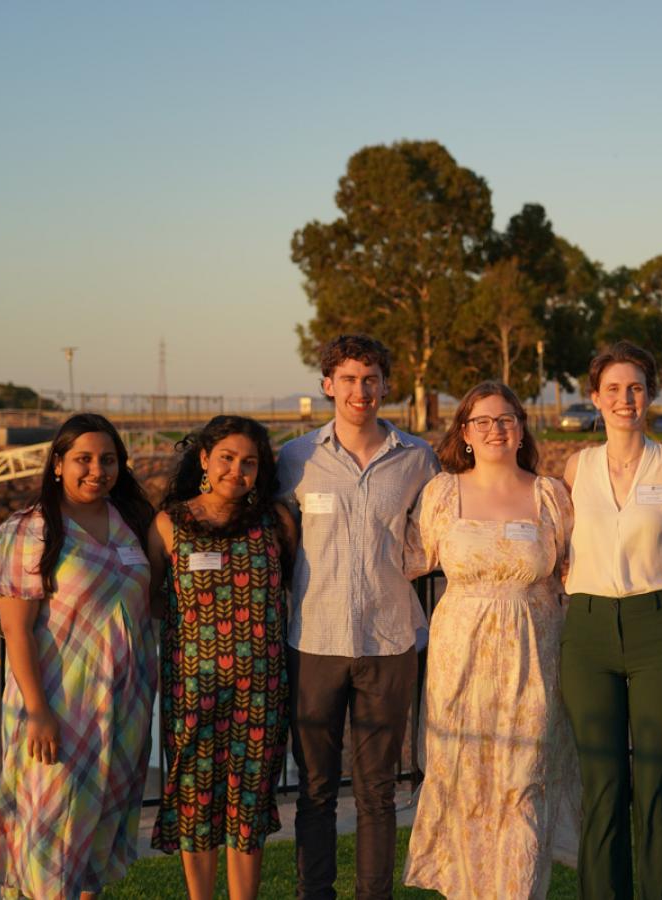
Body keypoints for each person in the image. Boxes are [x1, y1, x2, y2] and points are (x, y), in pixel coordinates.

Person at [276, 334, 439, 900]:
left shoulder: (419, 458)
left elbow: (436, 537)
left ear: (385, 385)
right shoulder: (295, 459)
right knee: (316, 789)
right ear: (327, 386)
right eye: (347, 379)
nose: (360, 390)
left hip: (391, 641)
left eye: (370, 379)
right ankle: (313, 893)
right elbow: (275, 538)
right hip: (314, 642)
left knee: (376, 791)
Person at [401, 381, 577, 899]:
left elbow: (575, 568)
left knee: (525, 782)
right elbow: (409, 559)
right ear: (466, 433)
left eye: (506, 419)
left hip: (534, 653)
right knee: (466, 779)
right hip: (461, 655)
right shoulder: (441, 493)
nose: (495, 429)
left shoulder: (550, 495)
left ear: (521, 429)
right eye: (483, 421)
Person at [560, 340, 662, 899]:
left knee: (657, 783)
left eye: (635, 387)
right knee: (602, 786)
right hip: (588, 633)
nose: (625, 398)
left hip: (658, 630)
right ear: (595, 398)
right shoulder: (574, 468)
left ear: (649, 394)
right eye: (613, 389)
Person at [0, 413, 156, 899]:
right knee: (50, 825)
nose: (96, 469)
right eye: (83, 459)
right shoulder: (29, 530)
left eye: (108, 459)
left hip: (125, 704)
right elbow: (16, 630)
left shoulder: (132, 523)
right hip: (59, 703)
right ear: (58, 463)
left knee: (98, 824)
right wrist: (37, 711)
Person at [148, 415, 297, 900]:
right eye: (227, 459)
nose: (238, 470)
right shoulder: (170, 523)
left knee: (249, 802)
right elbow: (153, 597)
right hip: (191, 691)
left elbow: (289, 585)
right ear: (205, 461)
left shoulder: (277, 522)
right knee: (195, 801)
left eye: (249, 462)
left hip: (262, 692)